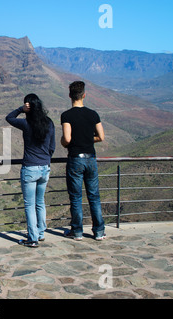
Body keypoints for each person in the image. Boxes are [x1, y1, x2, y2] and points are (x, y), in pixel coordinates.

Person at [6, 94, 55, 247]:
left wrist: (21, 109)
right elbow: (52, 147)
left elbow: (9, 117)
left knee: (29, 205)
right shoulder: (49, 123)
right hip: (45, 168)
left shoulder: (26, 124)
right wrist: (45, 159)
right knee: (40, 202)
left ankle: (32, 239)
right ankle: (40, 233)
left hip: (30, 169)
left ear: (29, 107)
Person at [60, 81, 106, 241]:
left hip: (75, 160)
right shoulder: (93, 114)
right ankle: (99, 232)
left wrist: (63, 141)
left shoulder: (67, 115)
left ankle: (77, 232)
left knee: (76, 197)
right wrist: (87, 138)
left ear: (70, 96)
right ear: (84, 95)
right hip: (91, 159)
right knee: (94, 196)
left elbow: (67, 139)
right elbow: (101, 136)